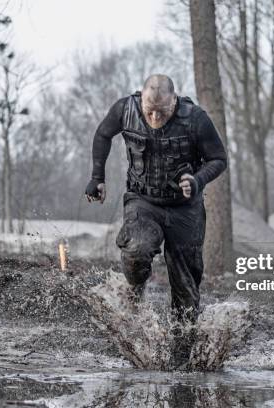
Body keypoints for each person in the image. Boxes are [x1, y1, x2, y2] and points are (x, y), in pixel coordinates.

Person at [84, 74, 227, 364]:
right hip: (143, 201)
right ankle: (134, 286)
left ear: (174, 100)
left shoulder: (196, 119)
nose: (154, 115)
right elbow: (102, 134)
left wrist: (197, 180)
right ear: (142, 99)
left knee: (186, 288)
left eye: (161, 110)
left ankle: (180, 359)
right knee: (136, 251)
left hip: (185, 209)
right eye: (149, 109)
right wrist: (97, 177)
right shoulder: (126, 109)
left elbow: (218, 159)